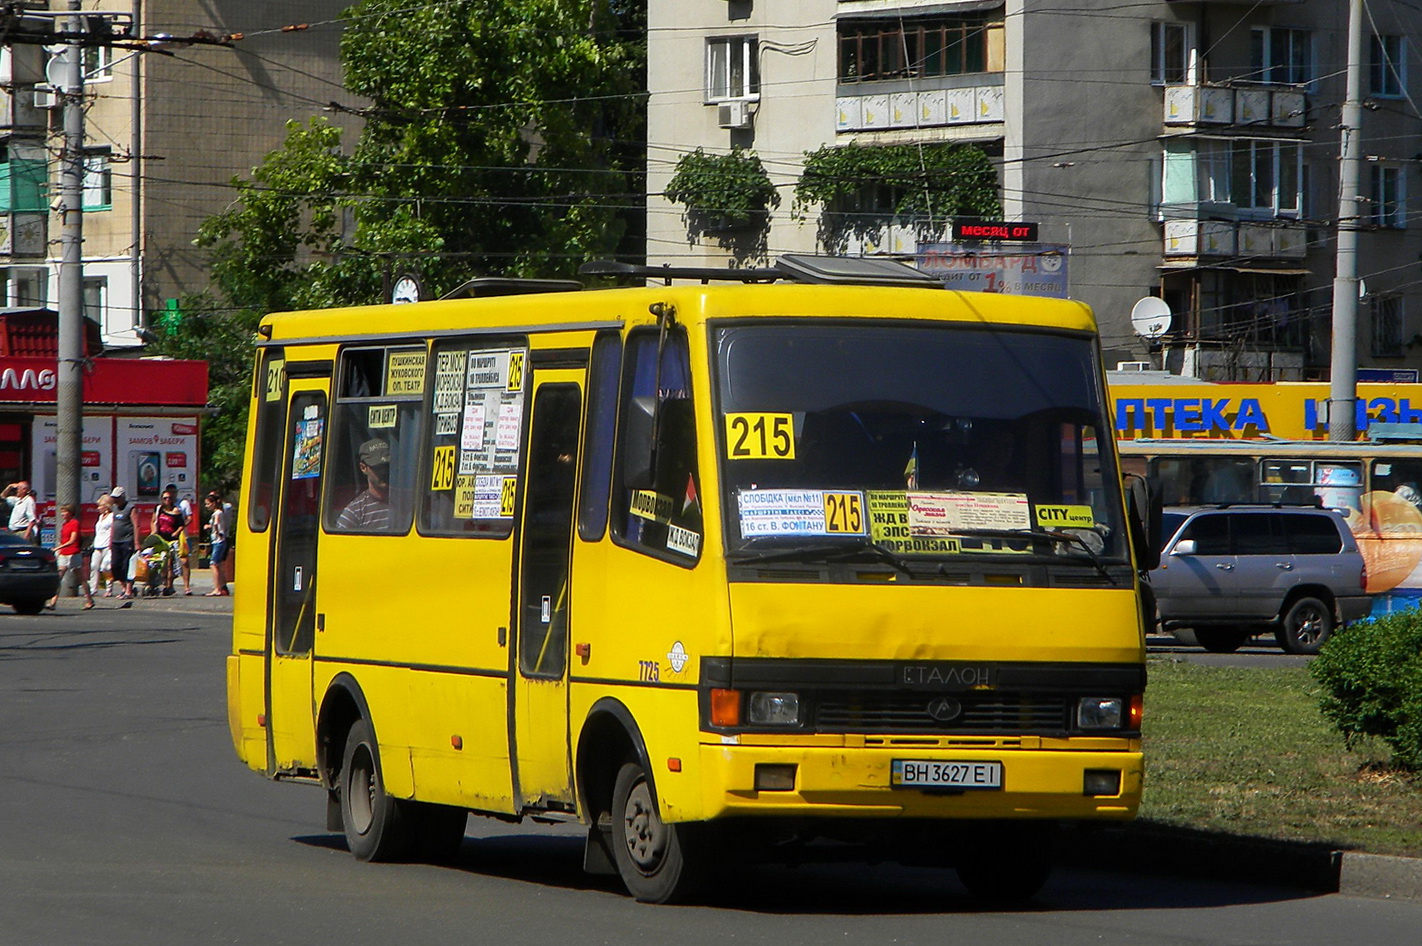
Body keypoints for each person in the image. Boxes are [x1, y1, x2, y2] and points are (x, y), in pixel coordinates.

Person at [336, 439, 391, 530]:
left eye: (387, 466)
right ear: (363, 468)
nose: (384, 471)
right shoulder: (355, 512)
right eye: (378, 467)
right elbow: (337, 543)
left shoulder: (404, 502)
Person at [48, 503, 95, 610]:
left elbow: (72, 540)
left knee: (81, 578)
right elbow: (63, 540)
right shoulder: (65, 525)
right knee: (58, 577)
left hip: (74, 554)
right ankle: (53, 602)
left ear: (70, 513)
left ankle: (89, 600)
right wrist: (59, 550)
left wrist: (57, 548)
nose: (62, 514)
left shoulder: (75, 523)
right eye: (62, 512)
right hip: (64, 554)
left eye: (65, 512)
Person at [150, 485, 187, 596]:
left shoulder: (176, 511)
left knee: (170, 564)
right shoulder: (159, 509)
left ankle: (169, 586)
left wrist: (176, 533)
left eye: (169, 498)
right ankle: (162, 582)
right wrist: (154, 532)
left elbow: (182, 525)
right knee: (161, 563)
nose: (167, 500)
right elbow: (153, 521)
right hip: (161, 539)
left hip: (172, 540)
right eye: (165, 498)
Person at [108, 487, 136, 603]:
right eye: (114, 498)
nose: (115, 500)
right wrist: (110, 540)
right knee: (115, 565)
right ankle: (124, 587)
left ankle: (128, 591)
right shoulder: (114, 508)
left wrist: (137, 542)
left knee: (126, 566)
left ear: (123, 497)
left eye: (117, 498)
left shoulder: (130, 507)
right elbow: (113, 525)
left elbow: (136, 525)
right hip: (116, 541)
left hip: (127, 540)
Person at [204, 492, 230, 596]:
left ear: (213, 503)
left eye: (208, 504)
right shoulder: (219, 513)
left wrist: (217, 532)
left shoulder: (217, 513)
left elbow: (217, 524)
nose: (207, 506)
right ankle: (222, 586)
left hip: (218, 541)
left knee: (213, 564)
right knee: (218, 564)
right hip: (218, 540)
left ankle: (217, 588)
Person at [90, 494, 114, 596]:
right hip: (98, 545)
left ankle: (109, 588)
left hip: (107, 545)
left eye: (100, 506)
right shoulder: (100, 517)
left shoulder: (112, 516)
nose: (98, 508)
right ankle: (93, 589)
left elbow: (113, 529)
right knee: (94, 566)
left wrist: (111, 543)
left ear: (107, 506)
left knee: (106, 567)